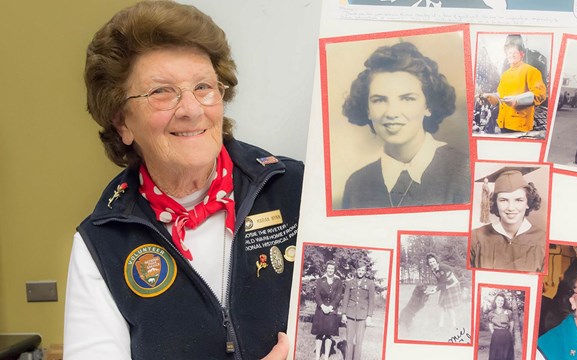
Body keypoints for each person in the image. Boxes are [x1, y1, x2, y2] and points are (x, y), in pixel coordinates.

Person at [63, 2, 304, 359]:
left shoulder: (296, 189)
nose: (191, 109)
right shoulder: (102, 242)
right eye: (162, 91)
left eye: (203, 86)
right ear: (122, 122)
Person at [341, 41, 470, 210]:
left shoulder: (464, 173)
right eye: (379, 100)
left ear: (428, 106)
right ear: (367, 110)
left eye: (407, 99)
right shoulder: (357, 184)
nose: (392, 112)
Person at [470, 168, 546, 272]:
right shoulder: (475, 238)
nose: (511, 207)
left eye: (519, 200)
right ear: (495, 202)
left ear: (528, 203)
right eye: (503, 200)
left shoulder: (542, 241)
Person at [481, 36, 547, 133]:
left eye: (515, 52)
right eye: (509, 53)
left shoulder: (531, 71)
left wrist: (517, 100)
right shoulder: (505, 75)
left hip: (520, 125)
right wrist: (490, 97)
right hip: (503, 123)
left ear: (522, 54)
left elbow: (540, 94)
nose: (511, 55)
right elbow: (501, 96)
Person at [341, 261, 375, 360]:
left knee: (359, 342)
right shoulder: (350, 282)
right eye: (359, 270)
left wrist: (369, 316)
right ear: (356, 270)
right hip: (350, 314)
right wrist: (343, 313)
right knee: (349, 341)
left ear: (365, 271)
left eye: (362, 270)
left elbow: (371, 301)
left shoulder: (370, 283)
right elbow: (346, 298)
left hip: (362, 316)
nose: (360, 272)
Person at [311, 261, 343, 360]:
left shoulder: (338, 281)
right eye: (329, 268)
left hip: (332, 310)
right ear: (326, 269)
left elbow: (338, 296)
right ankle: (317, 357)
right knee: (320, 333)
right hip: (321, 310)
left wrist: (331, 307)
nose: (330, 270)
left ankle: (326, 357)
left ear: (334, 270)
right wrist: (323, 306)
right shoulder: (320, 280)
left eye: (332, 269)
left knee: (329, 334)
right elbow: (317, 295)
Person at [427, 254, 462, 329]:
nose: (432, 263)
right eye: (430, 262)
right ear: (428, 263)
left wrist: (434, 291)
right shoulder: (433, 269)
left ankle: (454, 325)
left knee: (449, 307)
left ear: (436, 261)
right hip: (446, 285)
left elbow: (442, 283)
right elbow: (440, 281)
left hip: (452, 286)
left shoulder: (442, 268)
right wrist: (435, 288)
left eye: (433, 261)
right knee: (443, 305)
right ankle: (441, 325)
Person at [487, 293, 515, 360]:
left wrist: (508, 332)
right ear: (495, 301)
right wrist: (494, 332)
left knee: (506, 354)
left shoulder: (509, 312)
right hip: (496, 335)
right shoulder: (491, 313)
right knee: (495, 354)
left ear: (504, 302)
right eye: (498, 300)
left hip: (506, 335)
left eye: (502, 300)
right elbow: (490, 324)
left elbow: (511, 323)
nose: (500, 302)